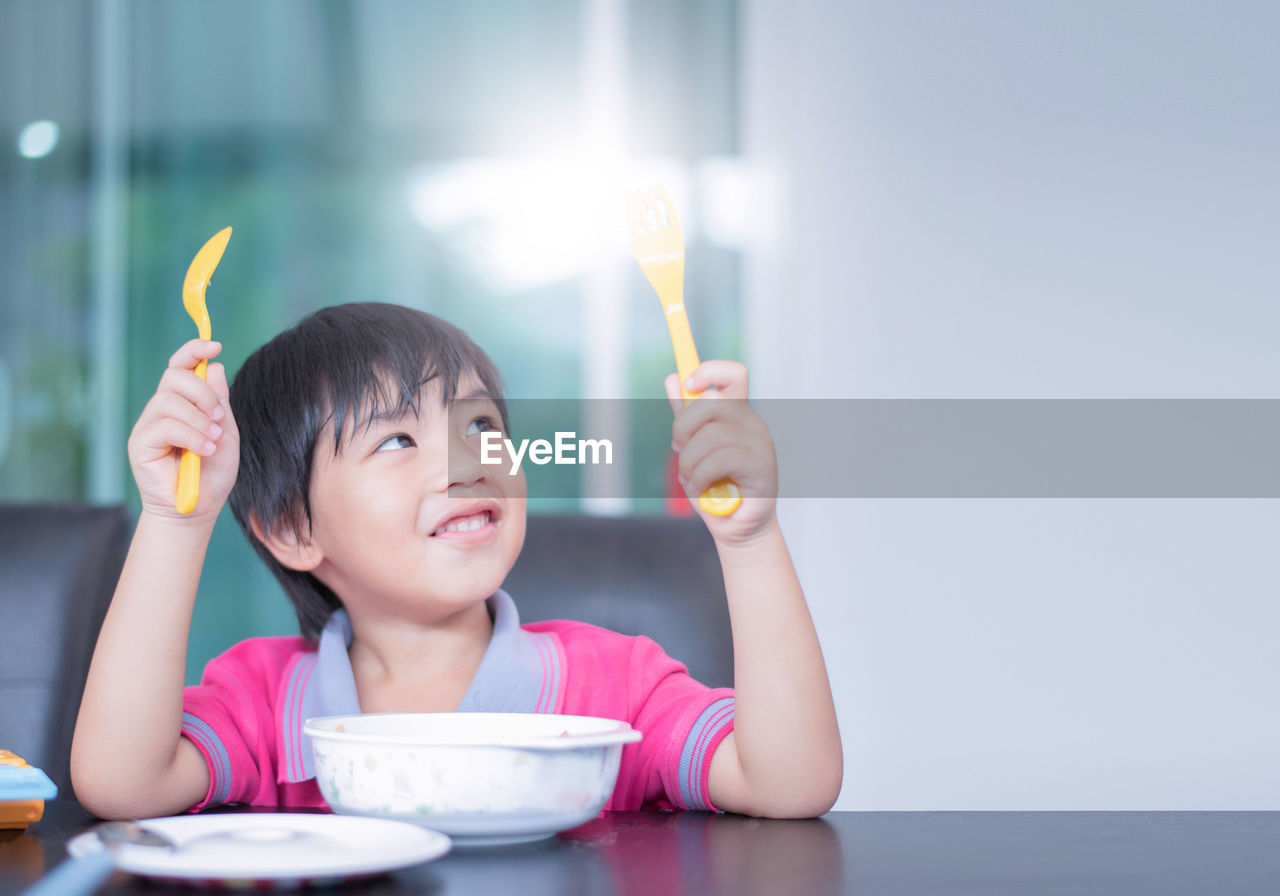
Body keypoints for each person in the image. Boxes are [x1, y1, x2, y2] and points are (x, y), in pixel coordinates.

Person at [71, 302, 842, 819]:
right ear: (292, 528)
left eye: (479, 427)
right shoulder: (265, 703)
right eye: (397, 441)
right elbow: (121, 784)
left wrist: (749, 541)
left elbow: (789, 783)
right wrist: (176, 523)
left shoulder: (614, 687)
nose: (465, 463)